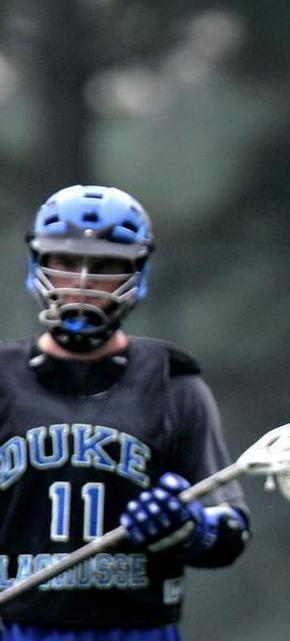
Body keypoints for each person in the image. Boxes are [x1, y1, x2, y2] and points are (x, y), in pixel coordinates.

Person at [0, 185, 251, 641]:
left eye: (105, 267)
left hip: (137, 631)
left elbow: (231, 532)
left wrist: (188, 529)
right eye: (64, 262)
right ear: (37, 265)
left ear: (137, 272)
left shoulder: (176, 385)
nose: (80, 281)